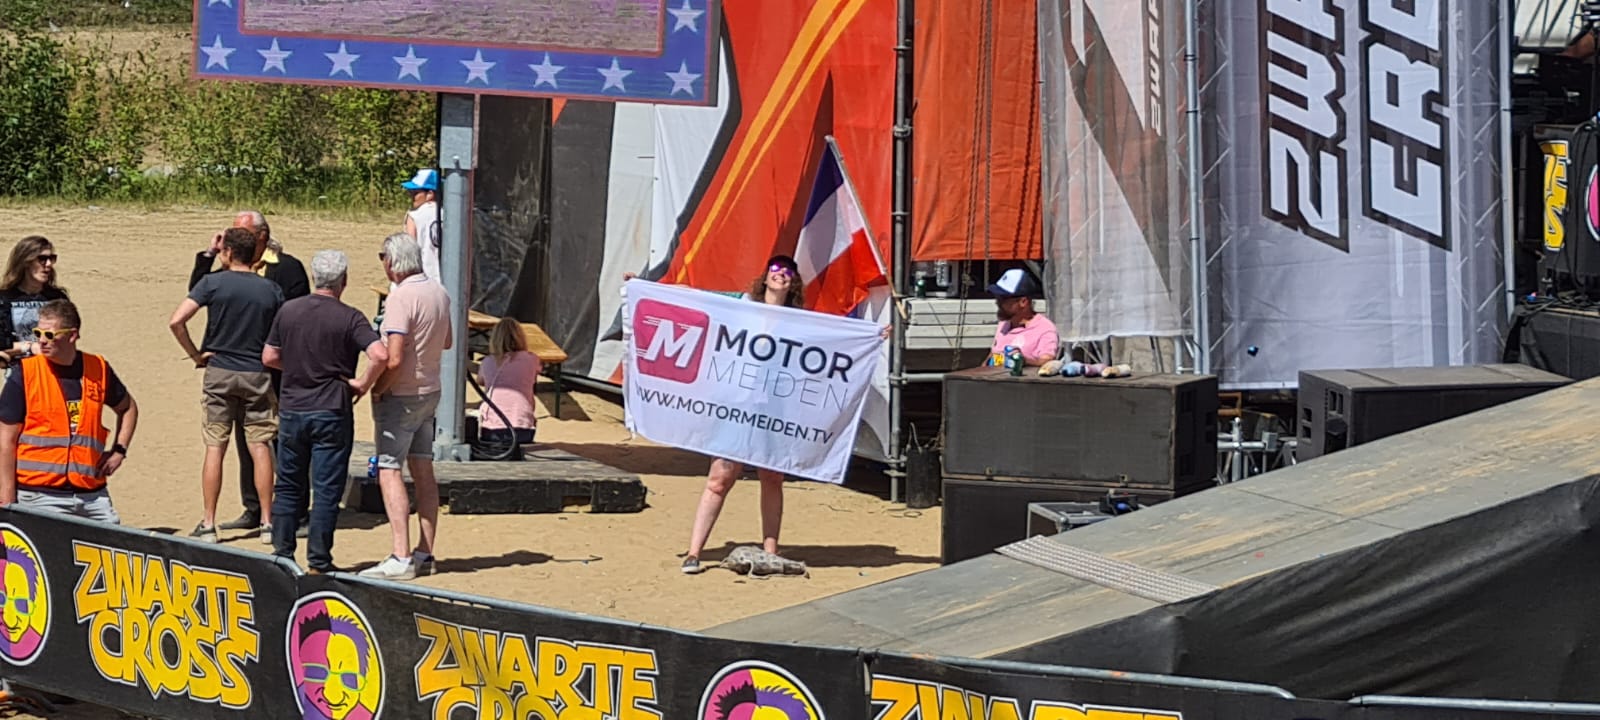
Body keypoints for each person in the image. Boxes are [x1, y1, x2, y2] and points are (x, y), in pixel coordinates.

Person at [676, 255, 809, 575]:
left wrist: (875, 334)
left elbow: (838, 338)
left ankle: (770, 551)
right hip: (737, 407)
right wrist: (645, 286)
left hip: (774, 410)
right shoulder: (741, 303)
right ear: (765, 276)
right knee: (719, 478)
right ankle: (694, 552)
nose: (781, 274)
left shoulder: (800, 320)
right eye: (776, 269)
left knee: (772, 478)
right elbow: (698, 298)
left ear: (793, 282)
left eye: (788, 271)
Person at [263, 250, 387, 574]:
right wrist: (361, 384)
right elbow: (380, 354)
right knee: (326, 489)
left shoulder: (289, 310)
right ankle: (318, 560)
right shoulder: (350, 317)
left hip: (293, 408)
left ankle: (282, 555)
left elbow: (269, 356)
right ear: (343, 281)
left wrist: (297, 367)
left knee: (288, 485)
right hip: (332, 408)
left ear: (314, 277)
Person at [190, 210, 310, 535]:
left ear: (262, 236)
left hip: (271, 368)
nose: (233, 238)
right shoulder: (229, 268)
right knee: (247, 443)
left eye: (240, 233)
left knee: (277, 442)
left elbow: (294, 318)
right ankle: (254, 508)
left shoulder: (286, 267)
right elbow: (199, 290)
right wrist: (209, 255)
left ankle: (294, 512)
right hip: (241, 366)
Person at [170, 227, 284, 544]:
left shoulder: (213, 283)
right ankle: (267, 522)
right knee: (260, 446)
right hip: (257, 373)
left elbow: (176, 321)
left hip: (219, 370)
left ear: (229, 252)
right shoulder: (271, 289)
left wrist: (195, 354)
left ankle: (209, 522)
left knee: (215, 447)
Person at [360, 234, 452, 581]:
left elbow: (394, 358)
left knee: (389, 469)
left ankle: (401, 555)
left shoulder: (400, 297)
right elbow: (447, 341)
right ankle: (425, 551)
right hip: (430, 389)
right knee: (423, 470)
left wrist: (378, 389)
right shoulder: (439, 292)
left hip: (402, 394)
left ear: (393, 261)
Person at [0, 300, 138, 523]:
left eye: (50, 335)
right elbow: (5, 441)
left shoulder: (98, 369)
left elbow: (128, 408)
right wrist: (7, 504)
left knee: (112, 543)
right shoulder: (25, 374)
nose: (41, 341)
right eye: (38, 333)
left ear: (72, 335)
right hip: (39, 495)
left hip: (92, 494)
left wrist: (119, 450)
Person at [0, 237, 68, 367]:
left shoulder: (57, 298)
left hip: (53, 368)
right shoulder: (4, 299)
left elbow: (68, 337)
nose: (48, 264)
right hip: (19, 370)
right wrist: (29, 347)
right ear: (26, 262)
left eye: (52, 258)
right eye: (42, 259)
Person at [477, 317, 541, 445]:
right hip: (523, 428)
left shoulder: (488, 361)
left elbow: (480, 381)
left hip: (492, 429)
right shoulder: (532, 359)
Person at [986, 268, 1059, 367]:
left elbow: (1047, 362)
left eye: (1003, 298)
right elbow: (992, 356)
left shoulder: (1045, 329)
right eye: (997, 298)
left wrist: (1023, 361)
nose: (997, 302)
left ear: (1023, 302)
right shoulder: (1004, 324)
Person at [401, 169, 442, 284]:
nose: (411, 196)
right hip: (447, 279)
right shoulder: (450, 214)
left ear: (430, 194)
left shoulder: (414, 215)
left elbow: (408, 251)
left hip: (423, 279)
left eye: (415, 193)